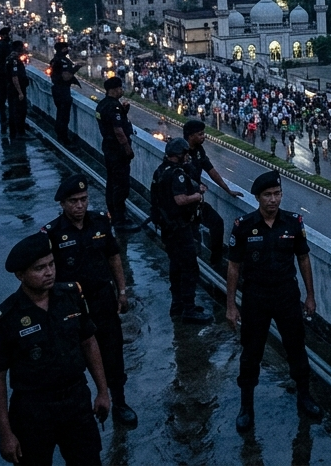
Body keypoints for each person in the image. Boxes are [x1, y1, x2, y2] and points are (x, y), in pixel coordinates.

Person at [0, 233, 110, 466]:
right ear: (20, 275)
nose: (49, 272)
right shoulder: (5, 318)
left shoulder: (71, 295)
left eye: (51, 264)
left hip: (75, 401)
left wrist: (103, 390)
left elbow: (89, 342)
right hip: (33, 411)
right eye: (39, 268)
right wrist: (5, 434)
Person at [226, 171, 322, 431]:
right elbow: (234, 266)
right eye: (267, 195)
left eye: (277, 194)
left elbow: (303, 259)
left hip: (286, 296)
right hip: (256, 297)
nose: (273, 200)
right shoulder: (244, 225)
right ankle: (246, 406)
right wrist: (231, 305)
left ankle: (304, 396)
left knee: (296, 349)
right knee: (251, 353)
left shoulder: (292, 223)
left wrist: (310, 296)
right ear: (257, 197)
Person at [42, 174, 137, 427]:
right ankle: (80, 408)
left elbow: (114, 257)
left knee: (113, 352)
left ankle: (120, 401)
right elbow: (44, 272)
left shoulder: (100, 222)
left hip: (102, 300)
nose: (80, 206)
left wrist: (122, 290)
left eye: (83, 199)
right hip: (71, 306)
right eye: (73, 201)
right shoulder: (52, 234)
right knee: (72, 359)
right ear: (62, 204)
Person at [151, 138, 213, 325]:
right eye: (185, 154)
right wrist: (198, 195)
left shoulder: (162, 170)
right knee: (189, 268)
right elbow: (179, 199)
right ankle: (189, 308)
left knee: (176, 266)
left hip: (168, 227)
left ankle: (178, 305)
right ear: (179, 155)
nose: (188, 157)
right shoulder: (176, 173)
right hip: (179, 228)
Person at [181, 120, 240, 266]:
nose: (203, 137)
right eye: (200, 134)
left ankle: (215, 261)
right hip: (182, 204)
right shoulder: (180, 151)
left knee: (217, 222)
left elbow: (211, 171)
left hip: (197, 201)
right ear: (190, 136)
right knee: (191, 239)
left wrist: (227, 189)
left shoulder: (199, 151)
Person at [96, 77, 136, 229]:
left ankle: (113, 212)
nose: (122, 91)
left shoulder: (102, 105)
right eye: (120, 88)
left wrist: (124, 112)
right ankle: (119, 219)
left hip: (108, 148)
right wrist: (128, 149)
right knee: (121, 185)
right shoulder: (114, 107)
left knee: (111, 182)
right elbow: (118, 130)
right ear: (113, 90)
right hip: (118, 151)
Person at [50, 42, 80, 144]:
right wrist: (76, 68)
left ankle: (60, 135)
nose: (68, 49)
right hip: (63, 90)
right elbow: (66, 76)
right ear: (63, 49)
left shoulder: (55, 59)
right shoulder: (64, 61)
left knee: (60, 114)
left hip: (56, 90)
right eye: (66, 48)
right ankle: (64, 138)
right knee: (64, 116)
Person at [4, 41, 29, 137]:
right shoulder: (15, 60)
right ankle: (20, 133)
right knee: (20, 111)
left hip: (11, 89)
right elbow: (15, 77)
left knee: (12, 110)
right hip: (16, 90)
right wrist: (20, 92)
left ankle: (14, 131)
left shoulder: (9, 58)